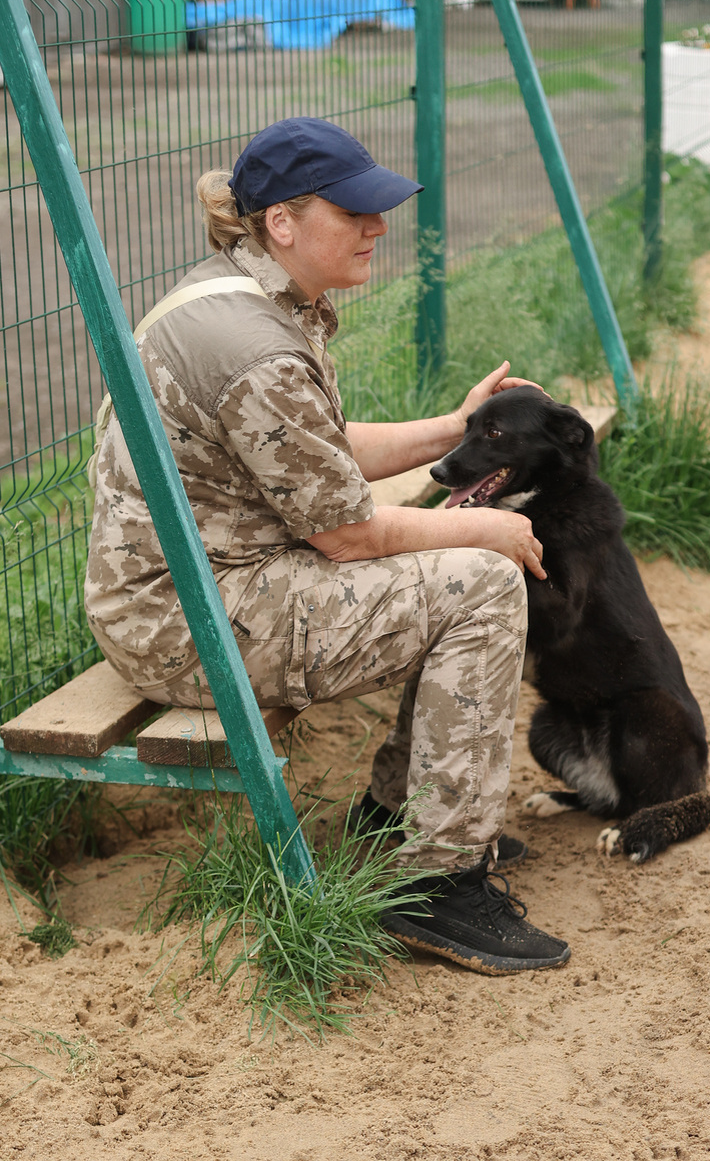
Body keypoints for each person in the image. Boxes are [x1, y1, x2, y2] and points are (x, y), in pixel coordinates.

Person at [85, 117, 570, 975]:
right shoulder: (255, 349)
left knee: (458, 565)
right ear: (283, 222)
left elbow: (321, 448)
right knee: (482, 583)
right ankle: (437, 884)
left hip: (191, 589)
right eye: (355, 213)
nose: (378, 227)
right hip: (189, 625)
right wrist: (488, 525)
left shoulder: (240, 295)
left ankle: (396, 817)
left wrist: (455, 429)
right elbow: (346, 533)